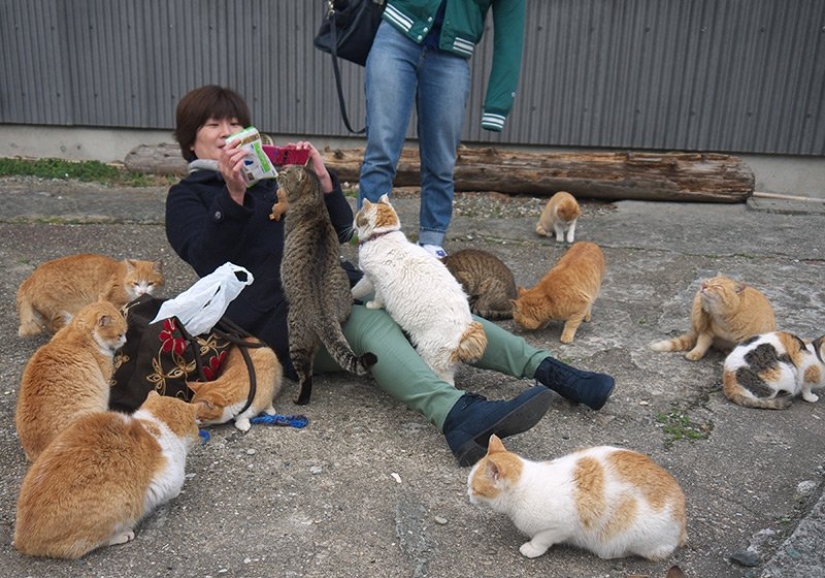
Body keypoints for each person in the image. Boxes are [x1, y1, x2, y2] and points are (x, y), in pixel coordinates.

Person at [165, 85, 614, 467]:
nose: (226, 132)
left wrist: (324, 183)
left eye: (234, 123)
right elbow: (206, 256)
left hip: (338, 287)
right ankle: (457, 415)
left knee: (436, 306)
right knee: (374, 323)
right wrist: (232, 196)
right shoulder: (186, 198)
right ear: (191, 140)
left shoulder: (270, 183)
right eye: (213, 125)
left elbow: (343, 231)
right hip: (281, 320)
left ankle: (555, 372)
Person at [358, 0, 527, 258]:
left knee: (441, 162)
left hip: (452, 56)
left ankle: (431, 242)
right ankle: (373, 243)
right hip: (397, 34)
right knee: (381, 151)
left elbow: (511, 29)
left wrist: (498, 104)